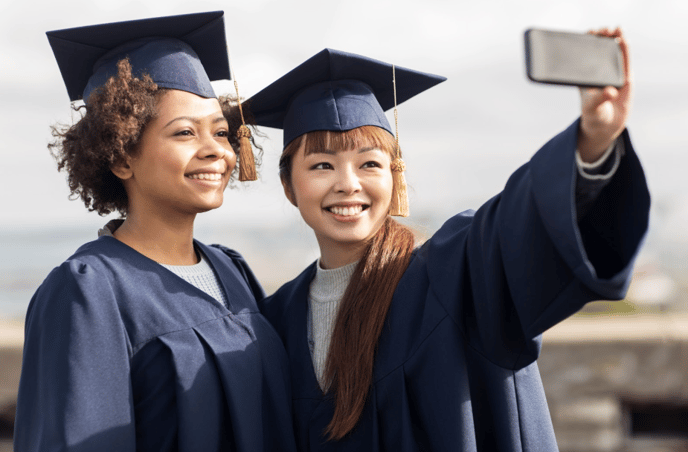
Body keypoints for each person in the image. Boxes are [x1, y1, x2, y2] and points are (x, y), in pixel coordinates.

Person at [248, 29, 649, 451]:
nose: (348, 184)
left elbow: (515, 230)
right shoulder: (275, 322)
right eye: (322, 165)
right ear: (288, 185)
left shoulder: (449, 276)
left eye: (369, 163)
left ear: (394, 176)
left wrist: (592, 143)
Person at [14, 12, 295, 452]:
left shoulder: (230, 269)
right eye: (184, 132)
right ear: (121, 158)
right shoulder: (86, 292)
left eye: (221, 132)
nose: (216, 151)